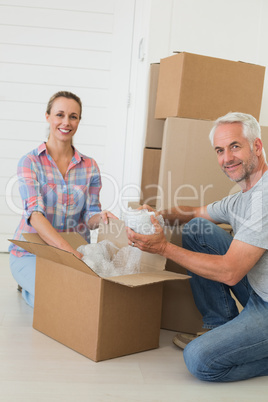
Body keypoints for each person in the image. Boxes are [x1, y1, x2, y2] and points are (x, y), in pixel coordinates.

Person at [126, 112, 268, 382]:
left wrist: (163, 248)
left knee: (199, 359)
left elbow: (230, 272)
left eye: (235, 146)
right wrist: (155, 216)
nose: (227, 158)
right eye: (220, 150)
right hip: (260, 288)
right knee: (197, 229)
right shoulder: (242, 198)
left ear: (257, 147)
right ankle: (219, 324)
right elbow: (194, 213)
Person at [9, 91, 116, 308]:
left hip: (75, 254)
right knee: (58, 301)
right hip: (32, 254)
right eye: (60, 115)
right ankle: (28, 286)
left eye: (73, 116)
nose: (66, 122)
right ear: (47, 116)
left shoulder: (90, 166)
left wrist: (101, 217)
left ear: (79, 121)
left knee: (88, 299)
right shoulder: (30, 162)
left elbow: (90, 215)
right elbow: (35, 215)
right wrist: (67, 250)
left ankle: (35, 286)